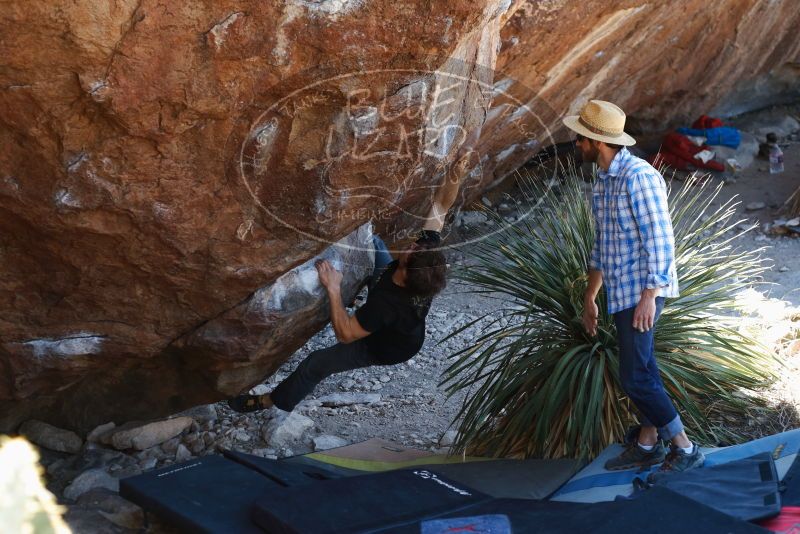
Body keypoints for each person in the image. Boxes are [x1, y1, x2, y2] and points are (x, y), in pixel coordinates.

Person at [228, 167, 461, 415]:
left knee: (316, 364)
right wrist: (458, 172)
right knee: (376, 244)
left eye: (413, 251)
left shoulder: (387, 305)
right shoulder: (423, 265)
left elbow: (346, 334)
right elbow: (440, 207)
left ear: (407, 272)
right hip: (388, 301)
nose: (414, 245)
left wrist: (334, 287)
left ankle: (266, 401)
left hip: (384, 347)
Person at [563, 99, 704, 478]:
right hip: (622, 291)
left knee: (635, 377)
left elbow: (660, 240)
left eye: (581, 139)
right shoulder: (605, 182)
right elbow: (601, 245)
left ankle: (685, 448)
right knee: (644, 370)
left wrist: (650, 296)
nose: (576, 144)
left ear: (598, 142)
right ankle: (646, 445)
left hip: (641, 292)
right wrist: (590, 296)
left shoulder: (638, 178)